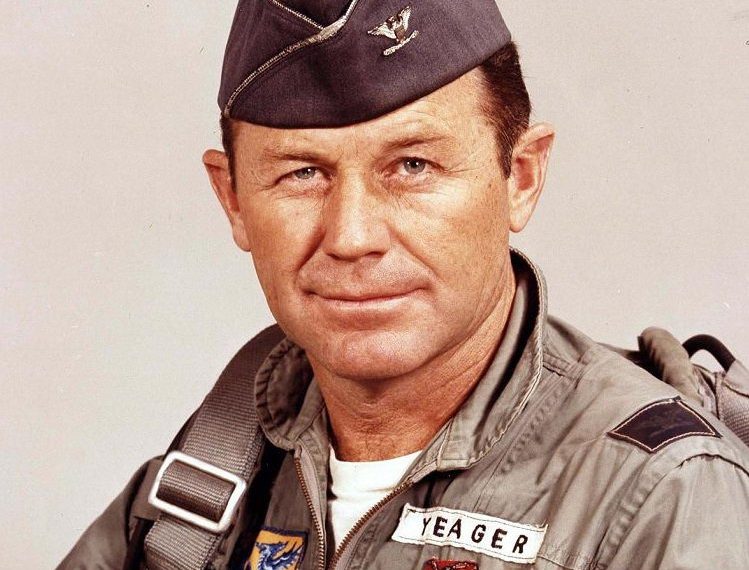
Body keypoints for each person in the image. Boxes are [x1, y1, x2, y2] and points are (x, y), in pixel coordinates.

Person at [59, 1, 749, 568]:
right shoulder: (199, 490)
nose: (351, 235)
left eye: (413, 165)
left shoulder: (661, 495)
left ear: (520, 176)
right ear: (233, 199)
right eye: (302, 172)